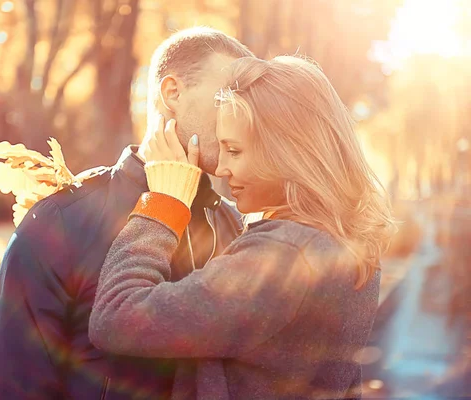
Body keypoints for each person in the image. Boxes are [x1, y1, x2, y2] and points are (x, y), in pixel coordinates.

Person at [89, 56, 398, 399]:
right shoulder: (345, 240)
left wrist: (164, 204)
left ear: (288, 152)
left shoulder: (285, 254)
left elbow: (117, 316)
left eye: (234, 151)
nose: (220, 168)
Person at [0, 27, 254, 399]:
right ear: (172, 93)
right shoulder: (60, 221)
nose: (243, 116)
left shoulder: (238, 230)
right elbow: (12, 386)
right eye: (227, 96)